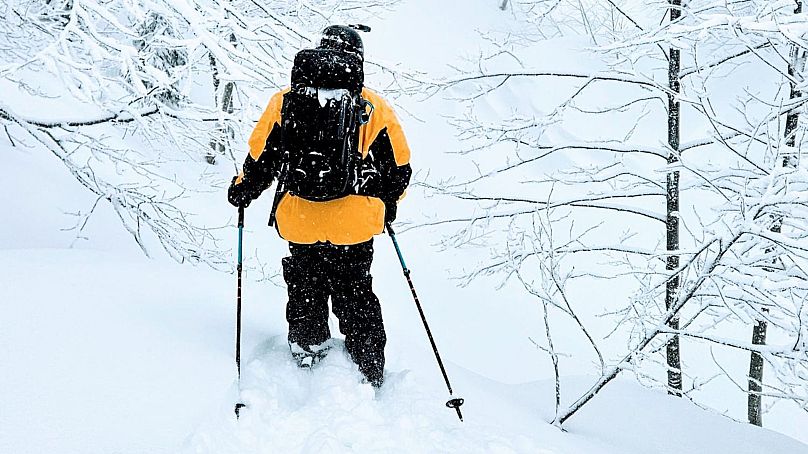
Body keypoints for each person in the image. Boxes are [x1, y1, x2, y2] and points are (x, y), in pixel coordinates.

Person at [227, 25, 412, 388]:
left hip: (300, 221)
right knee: (355, 289)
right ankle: (368, 365)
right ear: (358, 61)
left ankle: (308, 349)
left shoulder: (284, 101)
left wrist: (243, 191)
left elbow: (261, 158)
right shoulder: (374, 107)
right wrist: (385, 205)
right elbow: (399, 171)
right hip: (354, 227)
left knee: (304, 284)